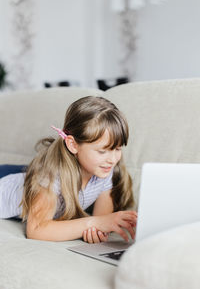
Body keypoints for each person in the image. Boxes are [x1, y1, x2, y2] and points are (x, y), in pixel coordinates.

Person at [0, 96, 137, 243]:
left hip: (23, 175)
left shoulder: (105, 171)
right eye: (102, 151)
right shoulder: (50, 176)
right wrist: (92, 223)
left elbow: (101, 221)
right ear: (73, 145)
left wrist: (99, 229)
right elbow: (37, 230)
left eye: (117, 149)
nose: (112, 159)